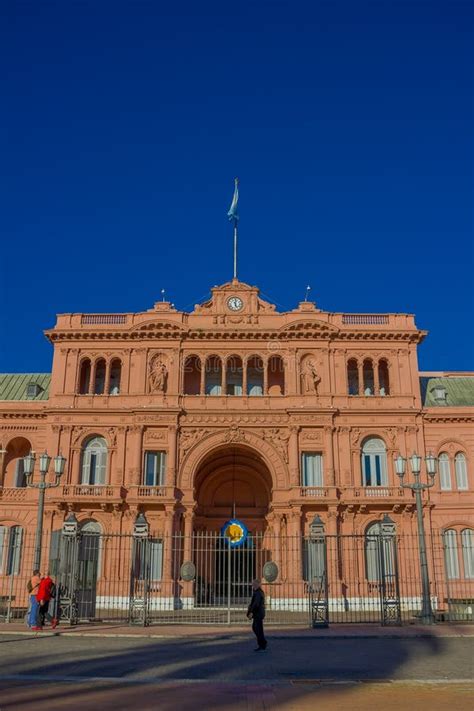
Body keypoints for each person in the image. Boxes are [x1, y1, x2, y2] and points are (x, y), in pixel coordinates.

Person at [247, 578, 267, 651]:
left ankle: (262, 643)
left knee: (256, 628)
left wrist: (251, 612)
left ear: (258, 584)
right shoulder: (258, 591)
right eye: (252, 584)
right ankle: (263, 643)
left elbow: (256, 604)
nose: (253, 585)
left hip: (258, 613)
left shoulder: (258, 592)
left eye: (254, 584)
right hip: (259, 613)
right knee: (258, 628)